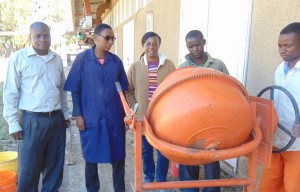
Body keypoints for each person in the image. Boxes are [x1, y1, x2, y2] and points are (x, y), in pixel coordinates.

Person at [2, 22, 70, 191]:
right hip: (32, 121)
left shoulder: (56, 60)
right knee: (29, 170)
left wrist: (66, 115)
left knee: (55, 166)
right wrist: (12, 123)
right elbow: (11, 92)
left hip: (55, 120)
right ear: (29, 37)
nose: (42, 39)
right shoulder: (19, 58)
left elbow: (61, 91)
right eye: (37, 36)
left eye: (46, 35)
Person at [64, 23, 128, 192]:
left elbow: (123, 91)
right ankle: (92, 189)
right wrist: (77, 114)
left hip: (115, 118)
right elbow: (75, 90)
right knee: (90, 157)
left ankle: (119, 189)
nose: (110, 42)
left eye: (112, 38)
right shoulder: (82, 59)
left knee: (118, 155)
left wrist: (126, 115)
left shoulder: (115, 62)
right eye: (107, 38)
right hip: (91, 117)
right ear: (96, 37)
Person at [177, 30, 229, 192]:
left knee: (211, 157)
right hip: (190, 121)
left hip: (212, 121)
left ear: (204, 42)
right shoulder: (182, 69)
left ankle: (212, 189)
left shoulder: (218, 65)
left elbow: (228, 88)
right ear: (187, 46)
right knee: (188, 156)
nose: (194, 49)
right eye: (190, 46)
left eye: (198, 44)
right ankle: (189, 189)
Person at [126, 32, 176, 186]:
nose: (152, 47)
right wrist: (135, 107)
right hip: (143, 116)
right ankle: (148, 177)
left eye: (155, 43)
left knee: (163, 150)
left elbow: (175, 87)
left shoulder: (169, 65)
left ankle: (161, 179)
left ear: (159, 45)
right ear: (143, 45)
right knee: (146, 149)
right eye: (148, 44)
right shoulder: (135, 67)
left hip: (164, 116)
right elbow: (129, 90)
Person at [258, 22, 300, 192]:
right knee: (269, 185)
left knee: (292, 186)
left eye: (288, 46)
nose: (282, 50)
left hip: (297, 145)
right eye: (279, 46)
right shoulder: (279, 69)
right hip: (276, 139)